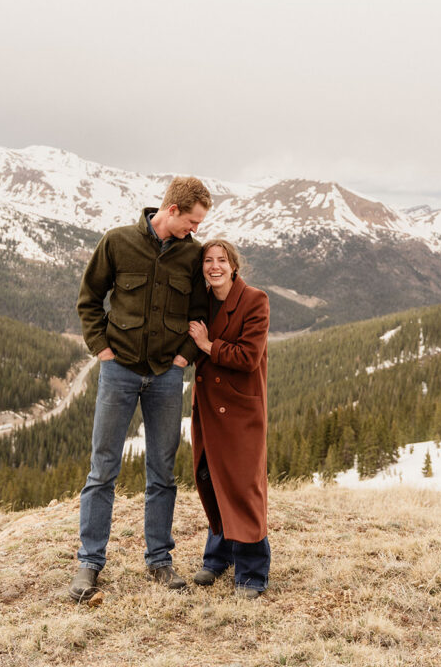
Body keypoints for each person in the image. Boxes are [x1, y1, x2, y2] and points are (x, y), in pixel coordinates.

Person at [69, 176, 212, 601]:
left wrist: (185, 356)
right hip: (119, 371)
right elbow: (89, 299)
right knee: (103, 470)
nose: (196, 229)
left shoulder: (193, 255)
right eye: (192, 220)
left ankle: (159, 561)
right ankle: (89, 565)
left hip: (168, 376)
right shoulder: (116, 242)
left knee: (162, 473)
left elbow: (201, 311)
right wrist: (102, 350)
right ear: (170, 211)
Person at [188, 238, 270, 598]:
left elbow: (248, 357)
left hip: (240, 409)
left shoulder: (255, 300)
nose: (215, 266)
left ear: (234, 266)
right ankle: (218, 556)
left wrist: (208, 346)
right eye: (208, 260)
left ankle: (252, 571)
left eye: (222, 260)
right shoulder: (201, 301)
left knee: (242, 484)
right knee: (212, 476)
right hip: (207, 407)